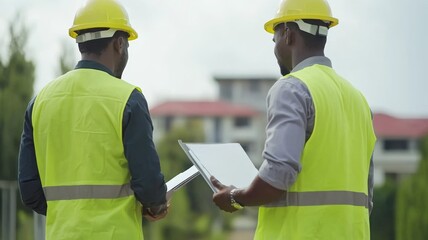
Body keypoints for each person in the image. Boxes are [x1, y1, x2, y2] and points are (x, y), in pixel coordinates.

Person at [211, 0, 376, 239]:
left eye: (274, 37)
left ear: (287, 34)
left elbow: (278, 174)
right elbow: (367, 194)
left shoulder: (292, 88)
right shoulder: (358, 100)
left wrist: (235, 196)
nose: (275, 46)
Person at [18, 0, 168, 239]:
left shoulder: (40, 102)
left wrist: (72, 216)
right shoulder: (129, 99)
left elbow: (30, 192)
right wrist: (157, 204)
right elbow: (149, 186)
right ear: (119, 44)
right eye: (127, 43)